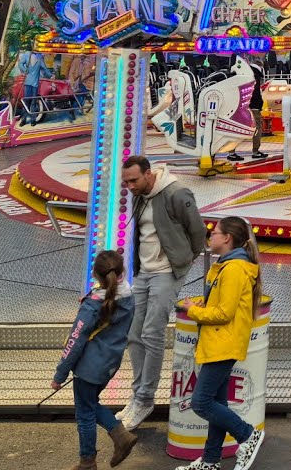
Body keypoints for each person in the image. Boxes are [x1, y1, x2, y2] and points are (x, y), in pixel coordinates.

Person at [116, 156, 206, 431]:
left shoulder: (176, 193)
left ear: (148, 174)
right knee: (134, 333)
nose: (130, 186)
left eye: (134, 180)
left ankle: (145, 398)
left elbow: (197, 231)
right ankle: (137, 395)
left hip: (166, 272)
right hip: (144, 272)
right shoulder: (139, 195)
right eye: (126, 182)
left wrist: (184, 261)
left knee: (152, 333)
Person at [177, 217, 265, 470]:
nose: (211, 236)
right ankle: (210, 460)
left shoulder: (234, 269)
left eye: (214, 233)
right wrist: (203, 305)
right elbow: (224, 305)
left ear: (227, 238)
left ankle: (247, 435)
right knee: (218, 401)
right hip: (220, 341)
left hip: (223, 343)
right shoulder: (227, 267)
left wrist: (194, 311)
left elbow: (224, 313)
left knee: (201, 402)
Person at [51, 250, 139, 470]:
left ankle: (88, 461)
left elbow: (75, 340)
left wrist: (60, 374)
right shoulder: (129, 296)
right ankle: (120, 436)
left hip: (89, 366)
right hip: (110, 363)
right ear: (121, 271)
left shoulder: (93, 305)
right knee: (89, 403)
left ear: (96, 274)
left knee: (85, 413)